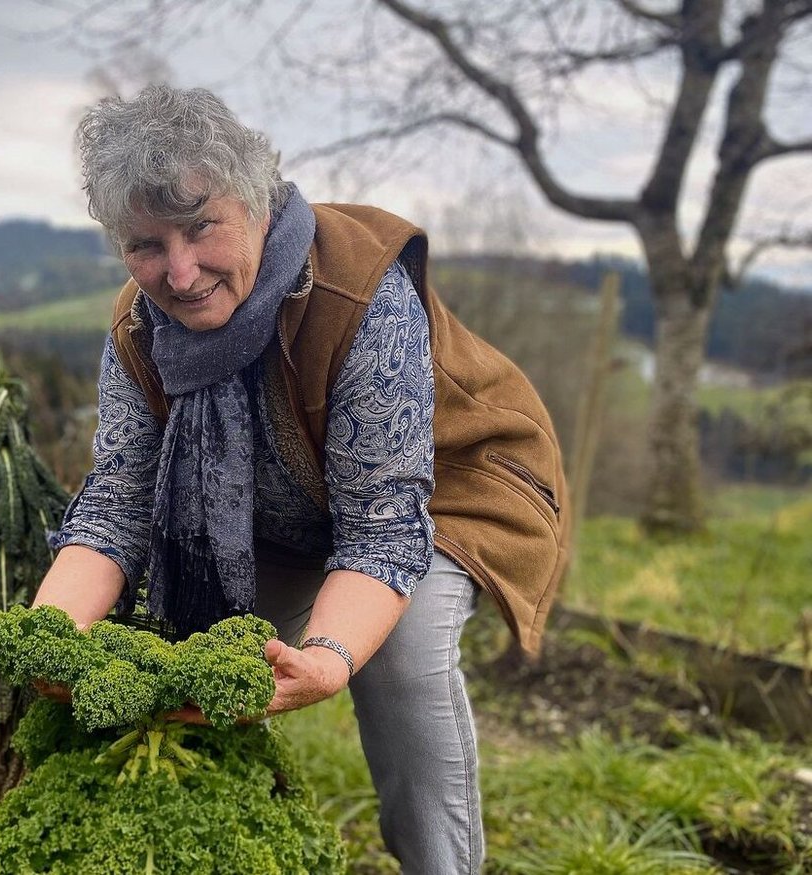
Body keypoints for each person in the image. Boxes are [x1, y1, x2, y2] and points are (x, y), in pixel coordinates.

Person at [32, 84, 569, 875]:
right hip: (287, 508)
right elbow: (115, 505)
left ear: (254, 202)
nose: (178, 273)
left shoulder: (359, 296)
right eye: (146, 245)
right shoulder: (139, 331)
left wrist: (324, 655)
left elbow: (384, 526)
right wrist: (48, 637)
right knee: (194, 655)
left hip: (450, 484)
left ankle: (441, 863)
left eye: (200, 226)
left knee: (398, 645)